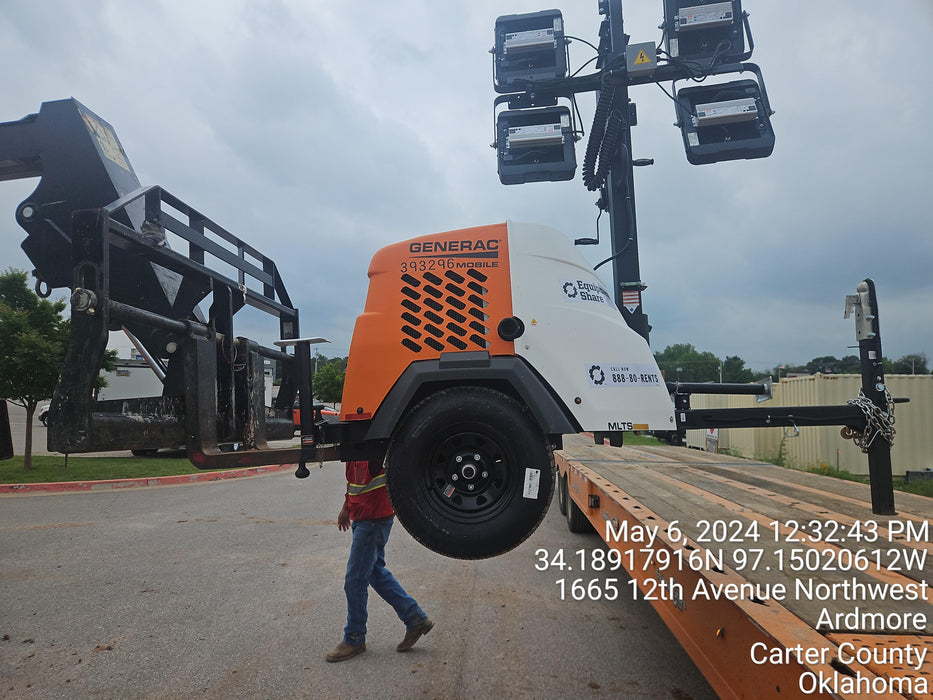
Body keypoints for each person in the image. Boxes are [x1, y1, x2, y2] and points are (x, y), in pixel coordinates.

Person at [326, 459, 434, 662]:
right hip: (364, 517)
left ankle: (354, 637)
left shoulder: (372, 447)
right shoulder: (354, 448)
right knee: (375, 573)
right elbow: (355, 482)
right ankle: (415, 618)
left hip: (373, 519)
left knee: (355, 580)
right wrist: (346, 507)